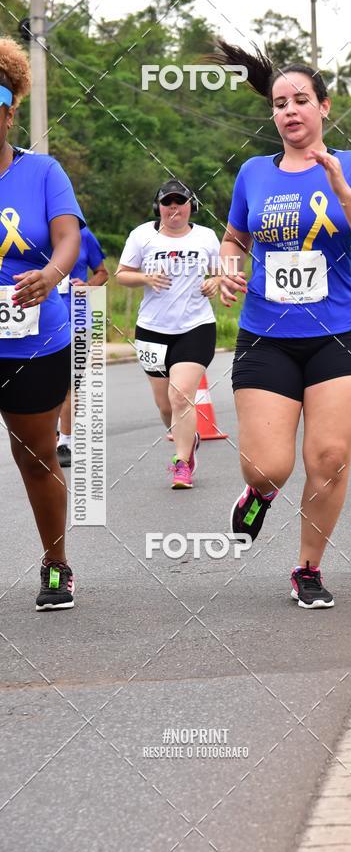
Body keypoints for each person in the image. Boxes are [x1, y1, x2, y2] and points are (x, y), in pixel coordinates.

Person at [214, 41, 351, 608]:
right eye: (279, 103)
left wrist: (342, 189)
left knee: (329, 457)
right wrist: (227, 269)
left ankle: (308, 568)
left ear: (323, 106)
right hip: (266, 333)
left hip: (337, 331)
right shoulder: (252, 173)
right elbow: (236, 237)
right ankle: (258, 494)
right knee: (270, 466)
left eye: (300, 100)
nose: (289, 110)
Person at [0, 38, 83, 610]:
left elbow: (67, 237)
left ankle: (56, 562)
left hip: (33, 336)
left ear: (9, 107)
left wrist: (50, 276)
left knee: (34, 457)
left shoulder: (42, 171)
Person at [116, 179, 219, 488]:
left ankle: (182, 463)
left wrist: (215, 282)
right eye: (167, 203)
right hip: (152, 329)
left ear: (192, 206)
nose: (174, 208)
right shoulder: (142, 236)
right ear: (158, 207)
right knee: (165, 405)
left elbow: (223, 271)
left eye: (180, 202)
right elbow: (121, 274)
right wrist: (146, 277)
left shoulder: (206, 237)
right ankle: (189, 438)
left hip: (196, 326)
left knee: (181, 395)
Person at [56, 227, 108, 467]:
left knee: (68, 384)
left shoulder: (84, 235)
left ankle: (65, 441)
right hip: (41, 320)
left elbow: (102, 273)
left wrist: (87, 285)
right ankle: (53, 433)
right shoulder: (32, 235)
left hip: (78, 319)